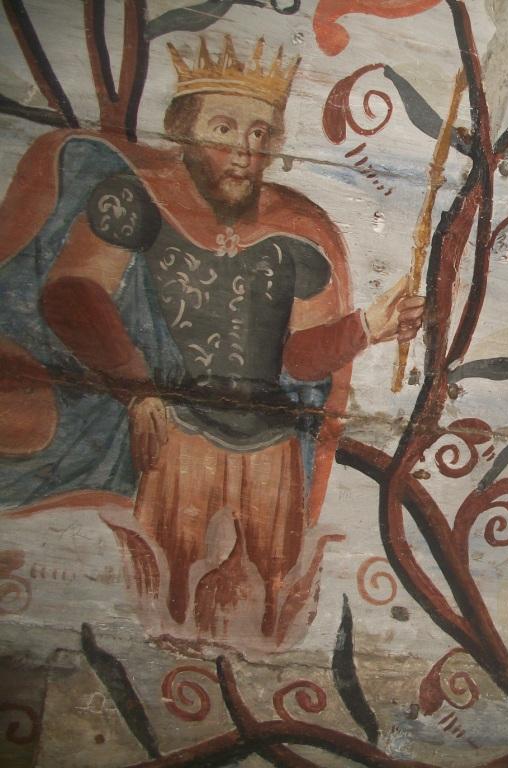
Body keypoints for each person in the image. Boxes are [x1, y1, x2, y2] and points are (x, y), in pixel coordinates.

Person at [0, 36, 424, 646]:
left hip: (274, 451)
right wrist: (137, 386)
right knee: (169, 603)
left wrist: (366, 328)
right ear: (183, 131)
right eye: (224, 128)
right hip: (180, 439)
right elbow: (73, 294)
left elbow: (299, 359)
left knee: (263, 612)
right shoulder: (142, 199)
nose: (244, 150)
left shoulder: (298, 229)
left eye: (261, 133)